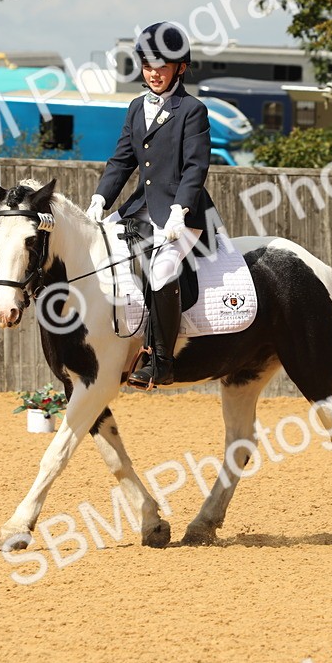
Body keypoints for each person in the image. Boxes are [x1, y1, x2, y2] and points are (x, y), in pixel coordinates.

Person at [84, 21, 221, 389]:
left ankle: (161, 361)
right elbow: (122, 160)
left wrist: (181, 209)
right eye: (147, 66)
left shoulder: (192, 110)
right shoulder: (135, 107)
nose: (154, 74)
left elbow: (196, 166)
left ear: (180, 67)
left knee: (162, 271)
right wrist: (100, 199)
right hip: (140, 206)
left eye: (161, 66)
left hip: (182, 214)